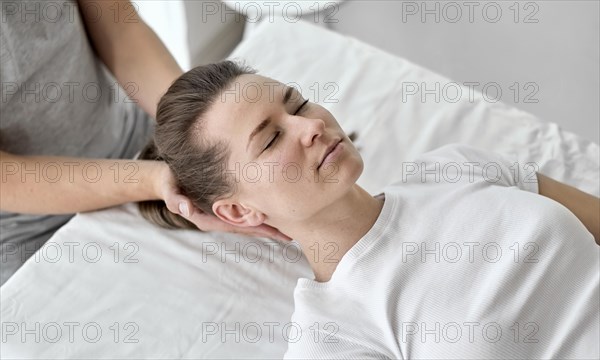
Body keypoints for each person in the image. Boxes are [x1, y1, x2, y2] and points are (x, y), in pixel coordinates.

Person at [139, 60, 600, 358]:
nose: (311, 125)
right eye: (272, 138)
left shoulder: (453, 168)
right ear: (239, 213)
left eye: (298, 104)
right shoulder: (333, 335)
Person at [0, 0, 287, 286]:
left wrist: (196, 132)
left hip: (134, 139)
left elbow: (122, 30)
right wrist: (156, 179)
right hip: (27, 229)